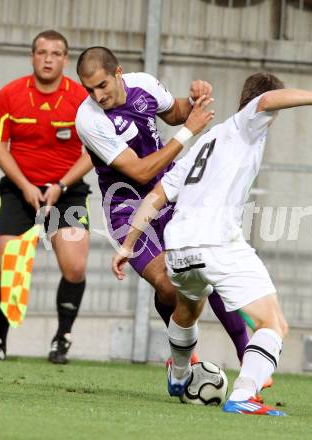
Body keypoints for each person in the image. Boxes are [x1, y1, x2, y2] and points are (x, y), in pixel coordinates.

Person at [112, 72, 312, 415]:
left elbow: (159, 194)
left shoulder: (207, 140)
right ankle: (245, 393)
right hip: (216, 241)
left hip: (180, 246)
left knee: (188, 310)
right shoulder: (249, 123)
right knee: (273, 323)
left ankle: (180, 374)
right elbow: (265, 101)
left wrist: (128, 245)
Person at [75, 47, 250, 363]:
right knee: (170, 288)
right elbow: (141, 170)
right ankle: (184, 356)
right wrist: (188, 132)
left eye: (102, 85)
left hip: (169, 193)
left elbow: (175, 112)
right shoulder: (88, 119)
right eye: (89, 89)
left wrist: (195, 99)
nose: (97, 96)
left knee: (206, 264)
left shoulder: (143, 83)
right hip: (125, 208)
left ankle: (246, 355)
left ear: (118, 72)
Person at [0, 30, 93, 364]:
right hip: (21, 191)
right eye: (42, 52)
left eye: (56, 53)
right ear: (32, 57)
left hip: (67, 192)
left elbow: (94, 151)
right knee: (7, 260)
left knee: (75, 266)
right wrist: (26, 185)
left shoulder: (82, 100)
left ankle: (62, 339)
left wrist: (60, 184)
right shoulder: (9, 94)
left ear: (65, 60)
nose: (48, 58)